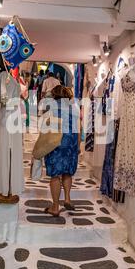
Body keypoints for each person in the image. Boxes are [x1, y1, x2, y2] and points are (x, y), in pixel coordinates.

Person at [44, 85, 81, 217]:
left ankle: (55, 207)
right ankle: (67, 199)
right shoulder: (74, 107)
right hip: (71, 143)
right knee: (67, 172)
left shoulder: (52, 107)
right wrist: (78, 146)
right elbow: (78, 128)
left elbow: (46, 126)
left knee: (55, 175)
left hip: (57, 143)